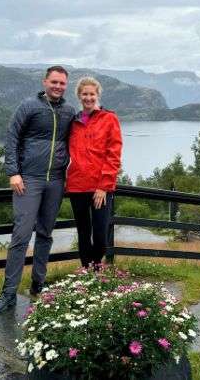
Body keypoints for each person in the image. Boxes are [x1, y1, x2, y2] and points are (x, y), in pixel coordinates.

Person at [0, 65, 76, 315]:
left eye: (62, 83)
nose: (58, 86)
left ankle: (39, 284)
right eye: (54, 82)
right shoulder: (28, 106)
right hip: (29, 179)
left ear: (65, 85)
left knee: (46, 234)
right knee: (21, 236)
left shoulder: (69, 111)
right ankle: (8, 293)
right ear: (45, 82)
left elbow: (81, 136)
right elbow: (12, 137)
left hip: (56, 180)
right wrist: (13, 172)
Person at [66, 76, 123, 268]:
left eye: (92, 94)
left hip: (100, 187)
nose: (88, 98)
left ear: (97, 95)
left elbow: (113, 154)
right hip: (77, 185)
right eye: (84, 94)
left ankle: (97, 265)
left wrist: (104, 186)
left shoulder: (109, 119)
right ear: (79, 96)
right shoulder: (73, 122)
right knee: (83, 231)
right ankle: (86, 269)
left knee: (100, 232)